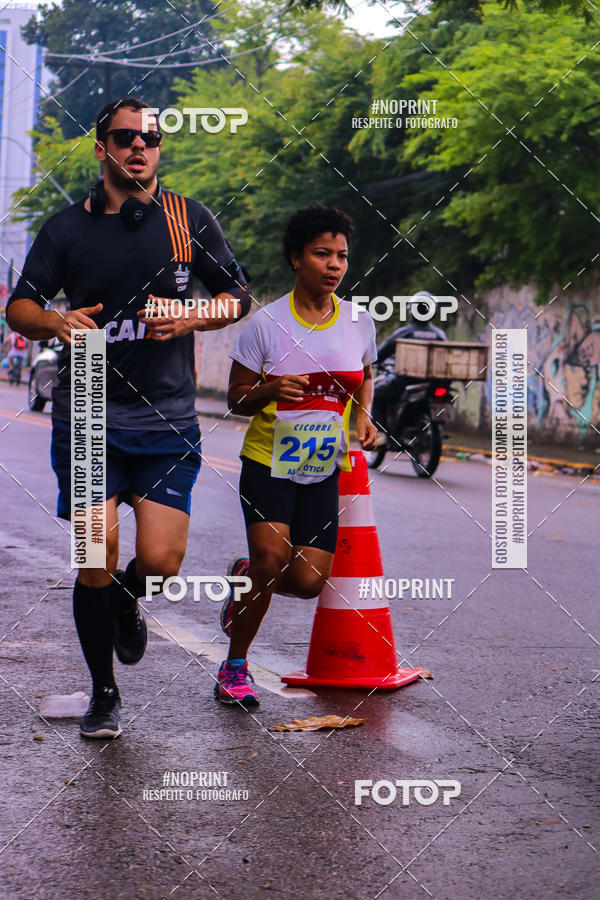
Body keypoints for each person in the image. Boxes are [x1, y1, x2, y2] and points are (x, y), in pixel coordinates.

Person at [6, 96, 251, 739]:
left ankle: (125, 601)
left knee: (163, 563)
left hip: (167, 415)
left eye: (152, 138)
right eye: (125, 137)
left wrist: (195, 315)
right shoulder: (66, 229)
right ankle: (104, 693)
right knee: (96, 551)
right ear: (103, 149)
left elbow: (237, 296)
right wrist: (56, 319)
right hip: (87, 406)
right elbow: (20, 308)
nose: (140, 147)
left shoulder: (187, 219)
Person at [215, 204, 378, 707]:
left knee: (307, 582)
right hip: (268, 461)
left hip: (322, 466)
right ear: (296, 258)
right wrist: (270, 388)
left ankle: (247, 577)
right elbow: (235, 397)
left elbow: (364, 374)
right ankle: (234, 668)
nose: (333, 265)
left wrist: (363, 418)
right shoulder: (267, 323)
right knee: (272, 559)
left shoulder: (358, 321)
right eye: (321, 254)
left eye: (342, 257)